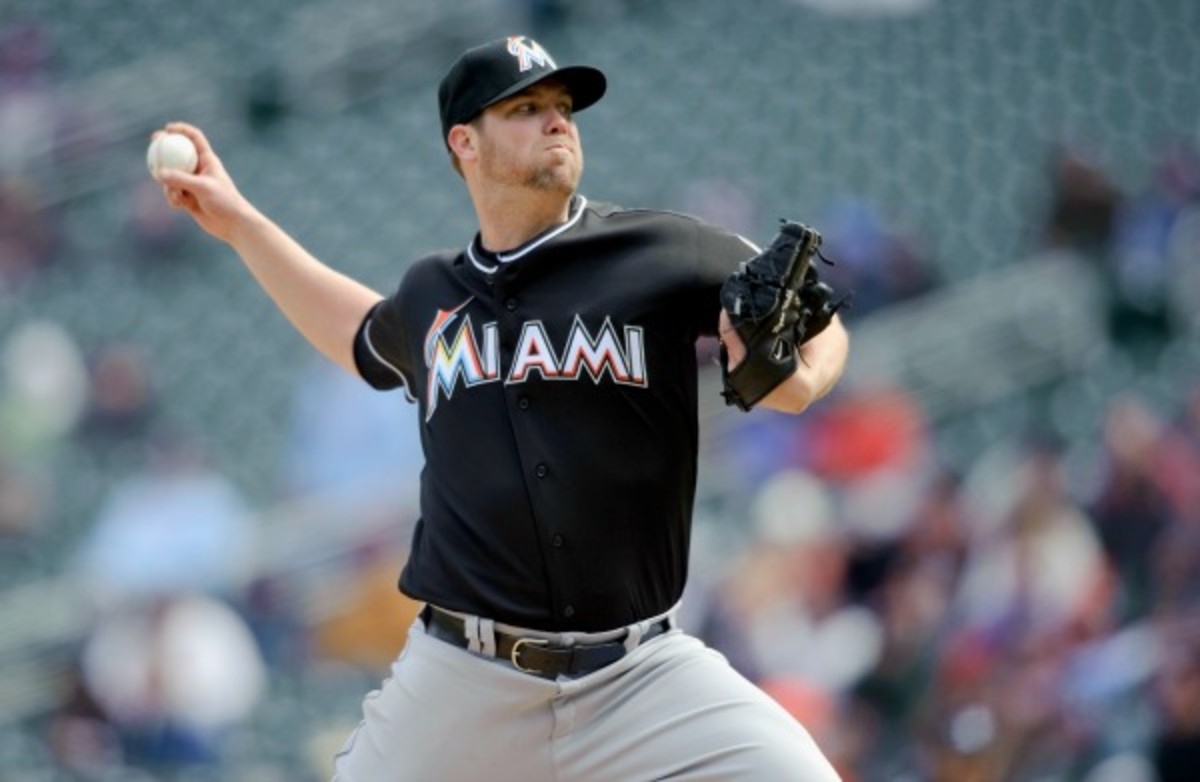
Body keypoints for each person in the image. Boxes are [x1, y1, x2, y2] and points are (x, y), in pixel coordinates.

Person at [155, 34, 848, 781]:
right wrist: (239, 225)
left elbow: (823, 324)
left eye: (562, 107)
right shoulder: (431, 294)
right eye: (526, 108)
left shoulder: (662, 250)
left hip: (638, 676)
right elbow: (359, 333)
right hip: (464, 679)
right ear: (466, 143)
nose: (557, 121)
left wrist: (806, 378)